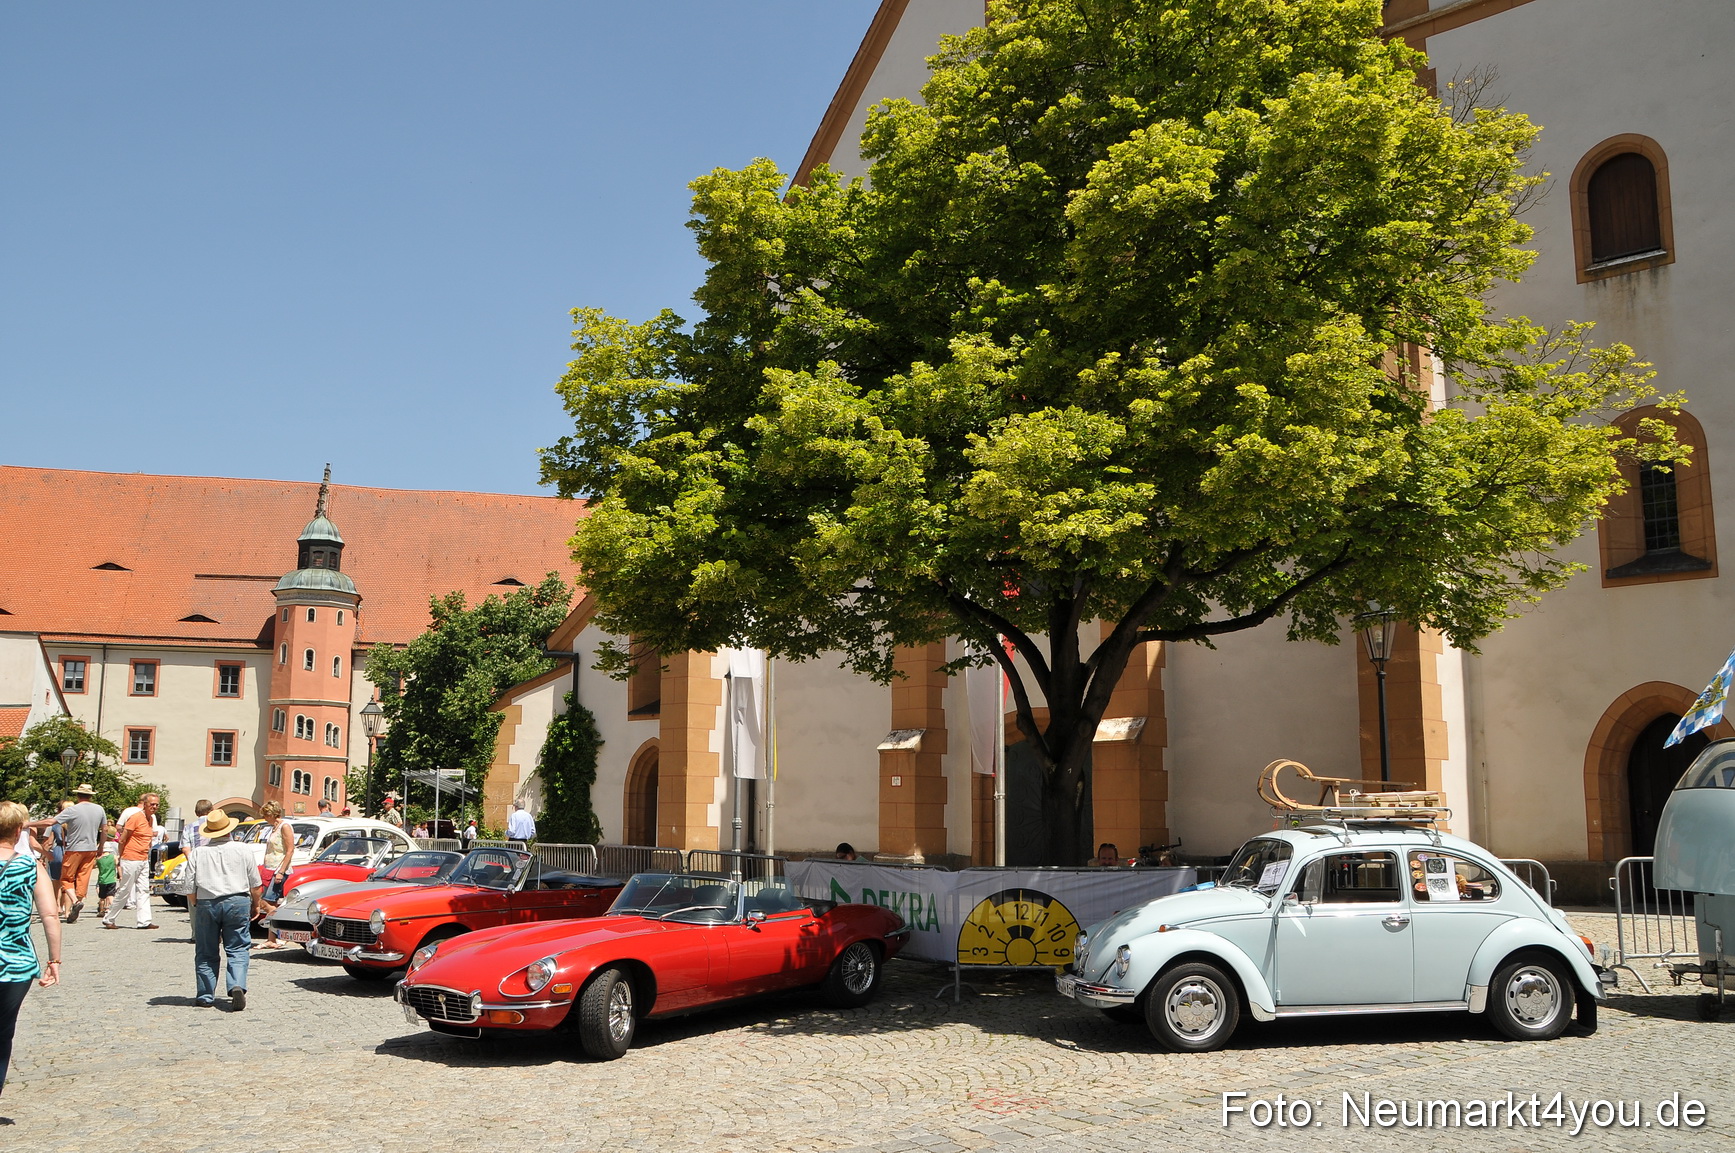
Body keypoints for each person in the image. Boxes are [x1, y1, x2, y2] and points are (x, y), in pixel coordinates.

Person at [0, 801, 61, 1105]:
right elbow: (50, 915)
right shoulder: (30, 866)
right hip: (16, 963)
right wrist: (54, 960)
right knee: (2, 1033)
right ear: (17, 831)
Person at [183, 810, 261, 1011]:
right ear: (229, 830)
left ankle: (205, 995)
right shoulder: (243, 849)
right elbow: (255, 883)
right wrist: (256, 904)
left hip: (207, 902)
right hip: (237, 900)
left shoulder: (198, 852)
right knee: (238, 947)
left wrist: (197, 904)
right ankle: (236, 984)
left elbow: (188, 886)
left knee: (206, 950)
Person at [29, 785, 105, 922]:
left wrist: (29, 824)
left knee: (66, 878)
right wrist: (101, 847)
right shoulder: (99, 809)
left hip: (74, 848)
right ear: (90, 796)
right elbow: (104, 829)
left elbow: (51, 822)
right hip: (91, 848)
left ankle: (76, 902)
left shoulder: (72, 810)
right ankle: (76, 905)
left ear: (78, 795)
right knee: (83, 878)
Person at [101, 793, 159, 929]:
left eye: (157, 804)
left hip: (143, 858)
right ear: (145, 804)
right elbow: (123, 838)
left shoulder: (151, 819)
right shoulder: (136, 817)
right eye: (152, 804)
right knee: (125, 889)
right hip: (131, 858)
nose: (155, 807)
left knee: (144, 890)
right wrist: (121, 857)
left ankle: (144, 921)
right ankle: (109, 918)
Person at [256, 802, 295, 949]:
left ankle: (284, 931)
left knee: (266, 903)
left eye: (266, 815)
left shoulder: (285, 826)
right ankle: (271, 939)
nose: (265, 818)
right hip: (269, 868)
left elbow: (290, 850)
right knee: (271, 904)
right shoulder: (273, 827)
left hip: (278, 870)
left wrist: (281, 871)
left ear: (272, 814)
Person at [95, 838, 118, 919]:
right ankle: (111, 909)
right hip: (112, 879)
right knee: (110, 895)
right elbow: (117, 864)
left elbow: (94, 865)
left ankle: (101, 911)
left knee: (102, 897)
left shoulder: (99, 859)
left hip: (102, 880)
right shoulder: (113, 857)